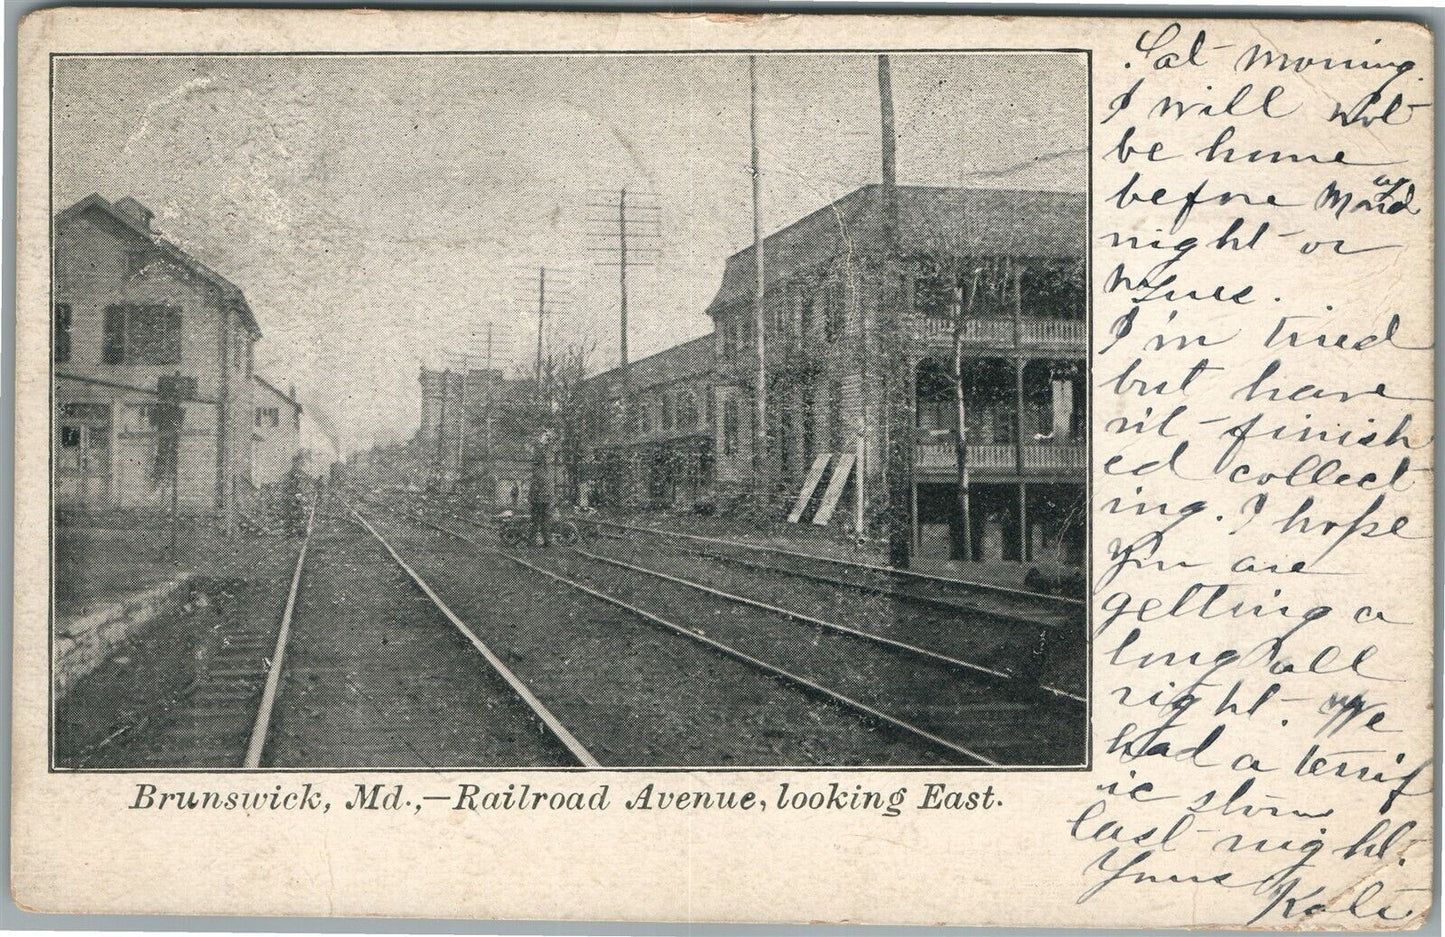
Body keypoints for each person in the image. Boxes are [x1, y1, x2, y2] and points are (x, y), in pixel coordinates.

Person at [529, 434, 554, 547]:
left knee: (535, 519)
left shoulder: (537, 469)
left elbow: (539, 455)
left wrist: (541, 442)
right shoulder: (547, 468)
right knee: (546, 519)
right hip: (546, 496)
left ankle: (532, 540)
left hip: (538, 497)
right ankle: (547, 541)